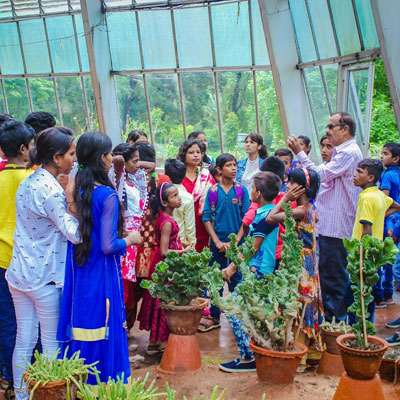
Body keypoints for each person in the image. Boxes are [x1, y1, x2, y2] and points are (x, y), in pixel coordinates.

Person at [57, 132, 141, 385]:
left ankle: (82, 385)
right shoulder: (107, 195)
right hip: (101, 272)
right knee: (104, 327)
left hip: (79, 268)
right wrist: (130, 240)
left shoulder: (76, 188)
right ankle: (105, 385)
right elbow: (107, 246)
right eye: (109, 155)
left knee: (83, 323)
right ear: (102, 158)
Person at [6, 127, 80, 400]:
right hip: (45, 279)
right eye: (71, 154)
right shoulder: (50, 189)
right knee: (52, 344)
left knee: (24, 340)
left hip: (20, 274)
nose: (74, 159)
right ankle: (49, 395)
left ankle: (23, 395)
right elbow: (73, 232)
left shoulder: (29, 181)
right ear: (57, 157)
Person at [288, 112, 363, 322]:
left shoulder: (348, 153)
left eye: (331, 126)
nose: (327, 131)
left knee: (334, 281)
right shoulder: (342, 153)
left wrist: (300, 154)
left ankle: (335, 330)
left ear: (345, 129)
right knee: (330, 279)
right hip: (330, 226)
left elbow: (318, 176)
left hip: (336, 227)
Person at [218, 171, 281, 373]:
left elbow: (252, 247)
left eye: (252, 188)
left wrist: (232, 266)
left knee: (231, 306)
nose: (250, 191)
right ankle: (261, 351)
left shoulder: (263, 216)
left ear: (258, 193)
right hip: (262, 269)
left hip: (258, 270)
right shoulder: (271, 211)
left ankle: (248, 357)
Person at [267, 167, 324, 366]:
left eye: (292, 183)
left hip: (300, 264)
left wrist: (284, 199)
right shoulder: (310, 209)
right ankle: (312, 354)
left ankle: (298, 355)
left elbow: (271, 217)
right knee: (306, 303)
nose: (287, 186)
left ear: (302, 187)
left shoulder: (301, 210)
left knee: (299, 303)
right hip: (307, 262)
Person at [0, 121, 35, 399]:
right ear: (24, 149)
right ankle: (33, 376)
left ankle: (11, 380)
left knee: (7, 320)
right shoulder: (33, 182)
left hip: (1, 261)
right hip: (27, 263)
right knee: (31, 323)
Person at [139, 183, 193, 354]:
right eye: (174, 196)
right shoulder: (167, 222)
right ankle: (161, 342)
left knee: (160, 301)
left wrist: (180, 243)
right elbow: (163, 251)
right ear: (165, 202)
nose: (179, 199)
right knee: (164, 301)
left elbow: (169, 242)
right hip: (165, 266)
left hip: (164, 265)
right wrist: (183, 251)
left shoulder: (165, 218)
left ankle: (154, 342)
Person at [199, 153, 250, 332]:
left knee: (237, 278)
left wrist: (236, 240)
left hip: (238, 244)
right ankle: (214, 315)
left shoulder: (241, 191)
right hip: (217, 244)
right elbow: (206, 217)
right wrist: (216, 240)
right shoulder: (213, 192)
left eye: (235, 164)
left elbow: (247, 218)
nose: (234, 168)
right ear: (219, 169)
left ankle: (240, 316)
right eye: (229, 165)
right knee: (216, 279)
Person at [349, 159, 400, 326]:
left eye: (359, 172)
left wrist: (360, 256)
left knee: (357, 294)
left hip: (362, 255)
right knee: (368, 294)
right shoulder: (379, 195)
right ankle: (367, 327)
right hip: (374, 255)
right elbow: (397, 206)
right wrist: (379, 216)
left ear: (370, 177)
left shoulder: (367, 198)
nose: (355, 175)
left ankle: (356, 330)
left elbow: (366, 231)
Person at [111, 143, 145, 332]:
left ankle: (123, 331)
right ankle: (119, 332)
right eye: (135, 160)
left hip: (133, 242)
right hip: (125, 240)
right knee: (122, 288)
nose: (138, 164)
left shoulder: (129, 181)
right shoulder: (117, 182)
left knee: (128, 288)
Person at [374, 142, 400, 308]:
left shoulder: (387, 176)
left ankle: (379, 297)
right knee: (390, 259)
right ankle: (388, 294)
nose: (382, 156)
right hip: (396, 221)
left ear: (396, 158)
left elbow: (383, 201)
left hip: (387, 221)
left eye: (385, 153)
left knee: (377, 259)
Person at [179, 139, 214, 253]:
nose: (196, 155)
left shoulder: (206, 176)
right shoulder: (177, 175)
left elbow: (213, 198)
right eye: (191, 152)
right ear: (184, 155)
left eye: (198, 152)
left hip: (202, 222)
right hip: (182, 221)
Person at [164, 159, 196, 248]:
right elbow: (190, 226)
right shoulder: (187, 197)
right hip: (181, 243)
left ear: (166, 174)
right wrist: (192, 245)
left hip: (163, 242)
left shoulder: (161, 193)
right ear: (184, 175)